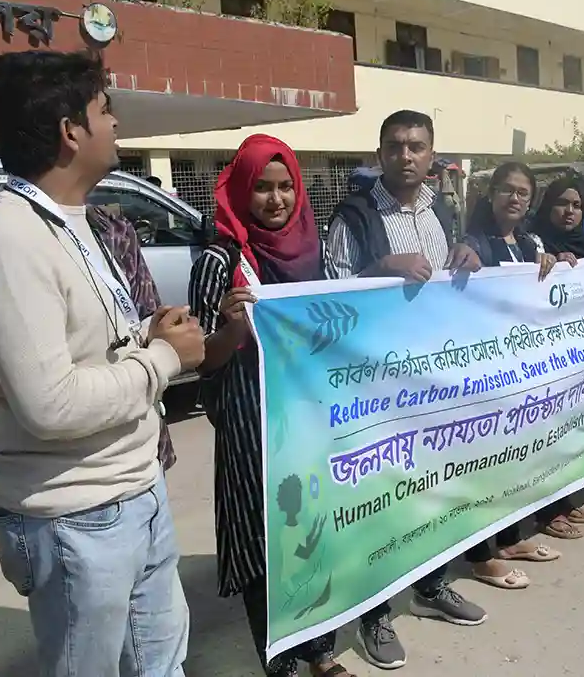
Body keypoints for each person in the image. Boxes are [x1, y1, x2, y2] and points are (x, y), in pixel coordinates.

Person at [0, 50, 203, 675]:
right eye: (105, 109)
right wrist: (162, 361)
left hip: (135, 488)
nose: (116, 122)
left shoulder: (75, 223)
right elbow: (51, 404)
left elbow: (85, 350)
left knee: (162, 664)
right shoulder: (9, 238)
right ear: (71, 131)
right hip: (76, 517)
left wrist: (144, 337)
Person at [326, 110, 486, 670]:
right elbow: (329, 295)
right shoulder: (355, 216)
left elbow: (446, 279)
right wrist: (381, 266)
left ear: (432, 151)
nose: (406, 155)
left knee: (435, 487)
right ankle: (375, 613)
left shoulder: (442, 208)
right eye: (395, 146)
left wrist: (466, 255)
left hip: (434, 378)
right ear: (379, 153)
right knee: (383, 497)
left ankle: (431, 585)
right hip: (377, 385)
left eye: (417, 145)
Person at [188, 135, 352, 677]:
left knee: (315, 531)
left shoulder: (316, 252)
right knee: (266, 542)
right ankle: (278, 659)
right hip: (250, 423)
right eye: (261, 188)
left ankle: (322, 651)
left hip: (310, 417)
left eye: (285, 187)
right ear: (241, 190)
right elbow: (202, 361)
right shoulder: (220, 260)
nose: (276, 199)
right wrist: (234, 327)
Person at [459, 162, 562, 589]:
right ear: (492, 195)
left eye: (523, 192)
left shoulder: (530, 242)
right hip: (487, 373)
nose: (515, 198)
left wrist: (559, 263)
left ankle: (510, 538)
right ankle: (481, 555)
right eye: (507, 190)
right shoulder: (471, 242)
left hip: (525, 371)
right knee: (485, 464)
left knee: (517, 460)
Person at [527, 175, 584, 536]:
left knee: (569, 429)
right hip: (545, 357)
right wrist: (549, 264)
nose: (570, 211)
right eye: (563, 203)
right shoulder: (535, 241)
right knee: (546, 433)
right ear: (547, 206)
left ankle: (561, 497)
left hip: (579, 354)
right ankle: (544, 510)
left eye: (578, 205)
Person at [88, 204, 178, 472]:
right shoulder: (17, 235)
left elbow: (149, 314)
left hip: (146, 449)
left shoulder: (114, 231)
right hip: (91, 470)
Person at [531, 176, 584, 263]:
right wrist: (555, 263)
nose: (569, 211)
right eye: (562, 203)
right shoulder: (531, 245)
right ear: (549, 206)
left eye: (576, 205)